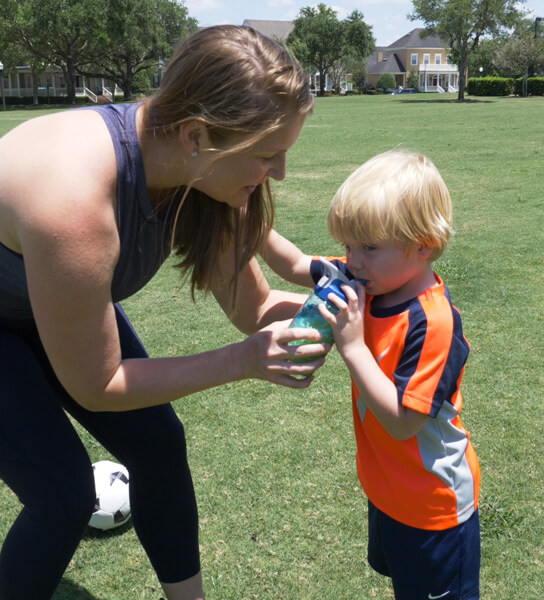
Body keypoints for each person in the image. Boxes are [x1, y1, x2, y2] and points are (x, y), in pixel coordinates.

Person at [0, 25, 330, 600]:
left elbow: (256, 309)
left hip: (40, 304)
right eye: (267, 155)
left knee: (157, 442)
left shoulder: (196, 171)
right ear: (197, 135)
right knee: (62, 493)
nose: (278, 174)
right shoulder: (73, 199)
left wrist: (348, 306)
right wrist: (246, 361)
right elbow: (99, 384)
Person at [261, 150, 481, 600]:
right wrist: (249, 222)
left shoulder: (432, 323)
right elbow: (293, 264)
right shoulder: (365, 279)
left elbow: (404, 422)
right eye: (347, 247)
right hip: (387, 491)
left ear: (422, 245)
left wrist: (354, 347)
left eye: (368, 247)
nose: (351, 261)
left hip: (432, 507)